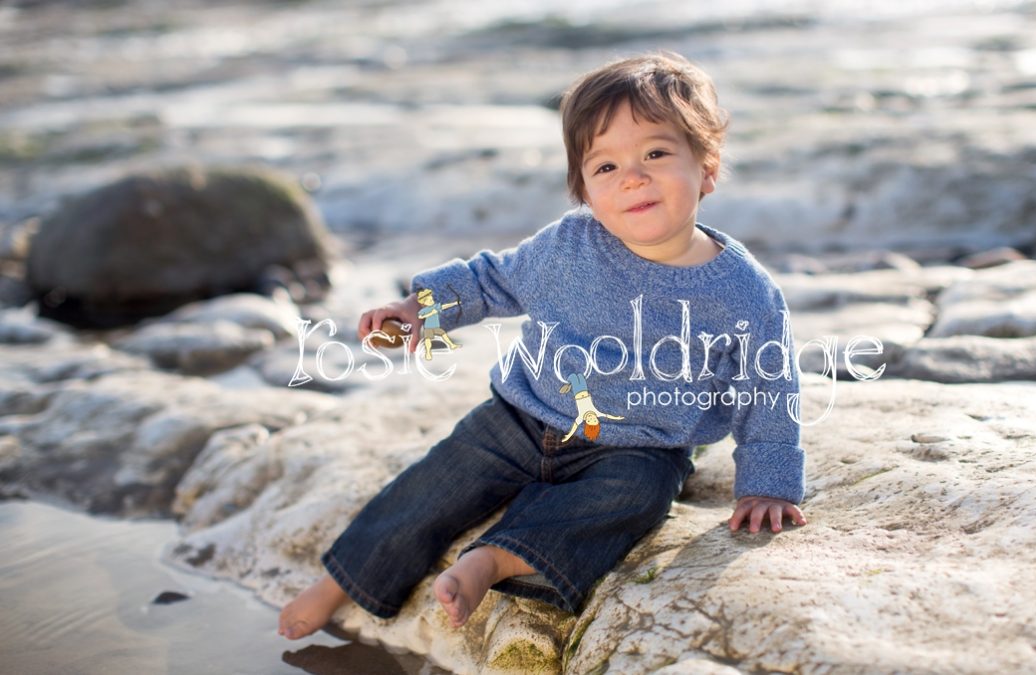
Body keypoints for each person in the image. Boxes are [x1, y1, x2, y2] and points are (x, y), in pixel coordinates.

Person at [279, 51, 807, 639]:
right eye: (605, 167)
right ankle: (342, 582)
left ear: (706, 169)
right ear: (582, 188)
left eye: (656, 154)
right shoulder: (569, 246)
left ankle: (497, 558)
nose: (633, 176)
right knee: (433, 486)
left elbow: (769, 385)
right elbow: (492, 280)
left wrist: (768, 480)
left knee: (636, 499)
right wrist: (417, 311)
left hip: (638, 446)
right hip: (524, 415)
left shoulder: (743, 291)